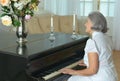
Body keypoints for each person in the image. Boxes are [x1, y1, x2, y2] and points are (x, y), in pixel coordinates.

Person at [59, 11, 118, 81]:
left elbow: (92, 70)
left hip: (99, 78)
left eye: (87, 22)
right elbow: (102, 57)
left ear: (93, 24)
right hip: (112, 76)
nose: (85, 24)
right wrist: (86, 61)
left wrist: (73, 72)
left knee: (70, 79)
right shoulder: (107, 38)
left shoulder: (92, 42)